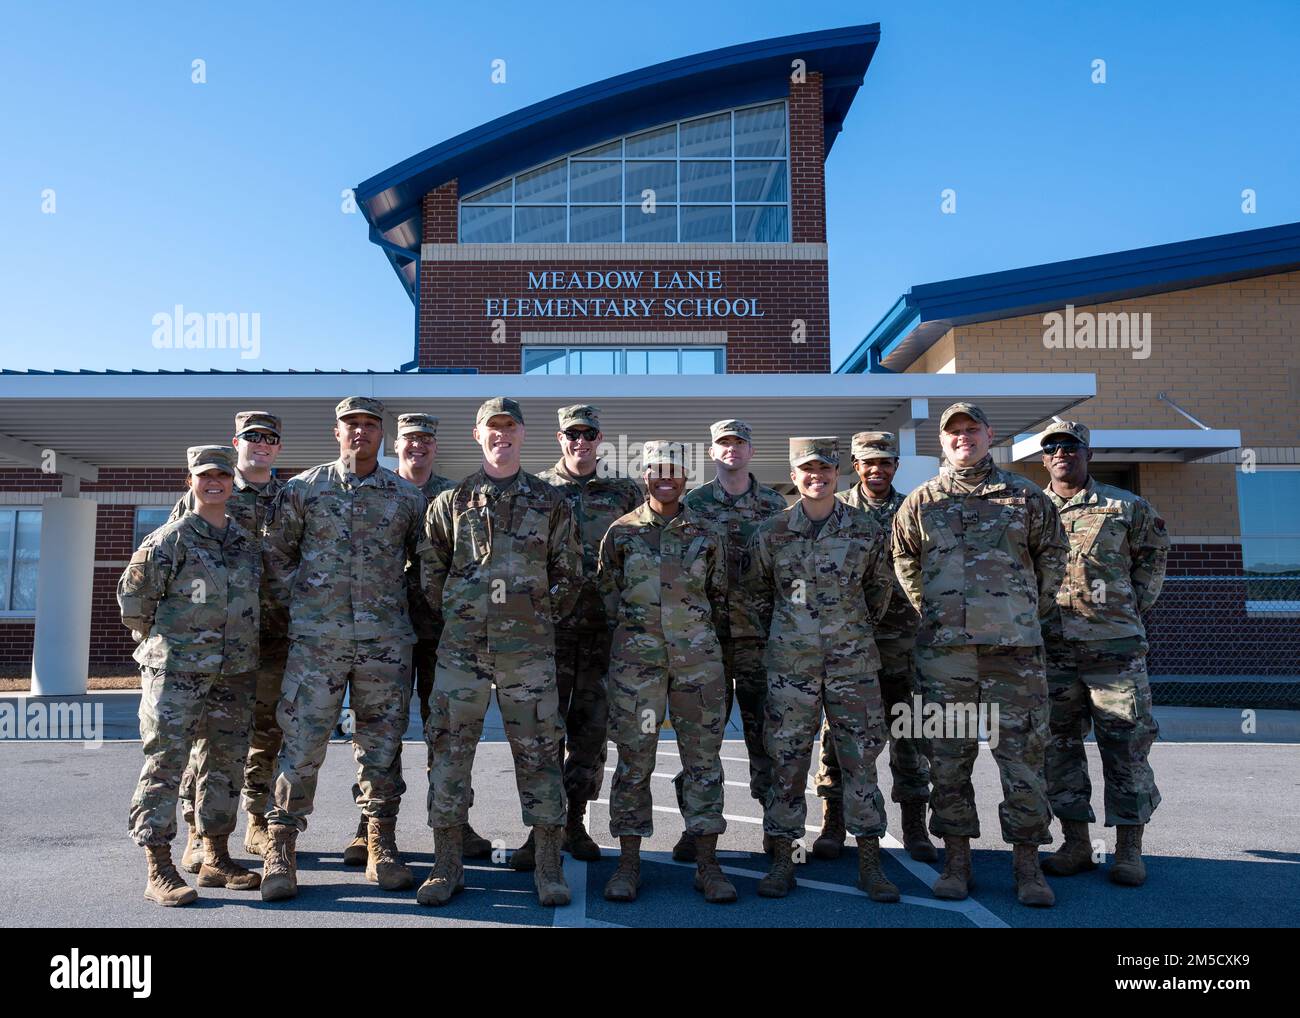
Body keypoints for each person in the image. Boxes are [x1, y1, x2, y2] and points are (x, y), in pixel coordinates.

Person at [892, 403, 1069, 907]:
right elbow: (903, 557)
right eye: (954, 433)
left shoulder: (1025, 496)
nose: (963, 438)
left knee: (1024, 761)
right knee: (948, 760)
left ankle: (1028, 866)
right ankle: (956, 861)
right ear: (942, 442)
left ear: (990, 435)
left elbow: (1052, 555)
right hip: (945, 656)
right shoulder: (922, 501)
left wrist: (1026, 608)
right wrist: (929, 606)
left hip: (1013, 654)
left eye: (972, 430)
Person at [415, 397, 583, 908]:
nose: (501, 435)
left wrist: (534, 620)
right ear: (478, 434)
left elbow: (570, 574)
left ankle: (549, 865)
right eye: (493, 428)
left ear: (523, 435)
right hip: (462, 651)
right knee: (448, 752)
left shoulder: (549, 501)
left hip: (527, 654)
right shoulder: (450, 502)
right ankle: (448, 865)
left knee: (540, 755)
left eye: (510, 427)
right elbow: (430, 573)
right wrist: (463, 617)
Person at [259, 396, 427, 901]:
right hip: (317, 642)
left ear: (382, 435)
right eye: (351, 425)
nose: (360, 433)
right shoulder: (303, 490)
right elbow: (276, 557)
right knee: (302, 743)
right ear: (336, 432)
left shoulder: (404, 497)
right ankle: (281, 848)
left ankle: (381, 844)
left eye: (370, 426)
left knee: (381, 745)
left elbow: (422, 566)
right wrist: (308, 607)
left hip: (385, 643)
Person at [748, 437, 898, 902]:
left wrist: (847, 631)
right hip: (791, 667)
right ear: (793, 476)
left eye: (825, 470)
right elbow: (755, 597)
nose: (817, 477)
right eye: (807, 470)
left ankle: (869, 862)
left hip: (852, 664)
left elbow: (880, 590)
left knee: (861, 761)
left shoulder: (864, 529)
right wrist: (788, 636)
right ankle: (783, 860)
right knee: (787, 761)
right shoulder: (771, 532)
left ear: (839, 474)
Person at [340, 412, 492, 866]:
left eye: (426, 439)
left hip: (442, 637)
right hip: (383, 635)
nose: (417, 447)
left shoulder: (455, 496)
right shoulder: (379, 491)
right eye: (410, 439)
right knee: (376, 733)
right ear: (396, 444)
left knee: (448, 732)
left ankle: (455, 824)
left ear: (435, 446)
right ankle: (369, 828)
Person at [120, 445, 261, 905]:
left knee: (224, 764)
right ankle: (159, 866)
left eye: (222, 474)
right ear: (191, 481)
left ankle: (216, 854)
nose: (214, 482)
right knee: (166, 762)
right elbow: (133, 602)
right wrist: (166, 643)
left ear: (232, 483)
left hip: (233, 673)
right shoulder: (170, 539)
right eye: (205, 475)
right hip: (177, 672)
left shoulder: (245, 543)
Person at [599, 441, 735, 904]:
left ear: (686, 477)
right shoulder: (621, 533)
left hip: (698, 669)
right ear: (644, 475)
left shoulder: (706, 533)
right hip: (638, 671)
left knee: (703, 763)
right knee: (635, 762)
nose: (665, 477)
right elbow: (607, 595)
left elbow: (719, 595)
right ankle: (629, 862)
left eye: (675, 470)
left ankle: (707, 863)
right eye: (657, 469)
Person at [508, 404, 640, 870]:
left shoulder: (625, 492)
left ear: (599, 439)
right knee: (544, 732)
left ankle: (575, 822)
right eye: (572, 434)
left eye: (589, 434)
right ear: (559, 438)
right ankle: (539, 828)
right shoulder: (539, 490)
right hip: (551, 631)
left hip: (604, 631)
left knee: (590, 733)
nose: (580, 442)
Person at [1037, 421, 1168, 886]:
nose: (1060, 454)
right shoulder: (1032, 509)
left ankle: (1129, 851)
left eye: (1069, 447)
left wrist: (1125, 607)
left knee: (1126, 746)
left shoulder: (1124, 506)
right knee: (1059, 748)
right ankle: (1075, 844)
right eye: (1051, 448)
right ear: (1044, 458)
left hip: (1114, 651)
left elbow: (1152, 559)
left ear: (1086, 453)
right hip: (1052, 650)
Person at [169, 411, 287, 872]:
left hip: (272, 639)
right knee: (207, 739)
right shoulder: (207, 491)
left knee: (266, 734)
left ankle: (256, 819)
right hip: (213, 643)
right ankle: (199, 832)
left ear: (278, 447)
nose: (261, 444)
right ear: (235, 441)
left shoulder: (288, 498)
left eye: (270, 438)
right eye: (252, 437)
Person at [813, 431, 936, 862]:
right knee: (838, 739)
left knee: (910, 735)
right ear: (855, 465)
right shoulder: (836, 510)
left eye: (885, 461)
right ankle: (833, 823)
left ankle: (915, 827)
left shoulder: (915, 508)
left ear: (895, 465)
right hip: (849, 645)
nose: (876, 469)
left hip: (905, 643)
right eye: (868, 462)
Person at [675, 418, 787, 861]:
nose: (732, 450)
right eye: (723, 442)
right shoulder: (694, 504)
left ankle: (774, 829)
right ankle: (694, 827)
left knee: (768, 739)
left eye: (739, 442)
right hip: (708, 641)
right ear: (712, 451)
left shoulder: (775, 504)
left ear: (751, 451)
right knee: (701, 739)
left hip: (762, 640)